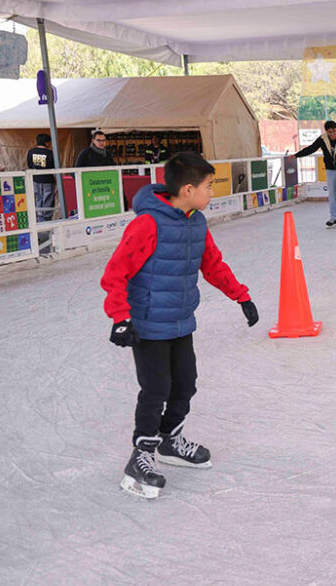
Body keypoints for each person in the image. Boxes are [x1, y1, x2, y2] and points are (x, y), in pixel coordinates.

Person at [100, 152, 259, 500]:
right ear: (188, 189)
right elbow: (116, 272)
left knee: (185, 384)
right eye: (209, 186)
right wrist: (120, 317)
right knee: (156, 389)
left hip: (181, 322)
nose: (212, 192)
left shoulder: (196, 222)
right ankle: (140, 455)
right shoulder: (147, 225)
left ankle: (170, 440)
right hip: (148, 325)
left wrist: (241, 297)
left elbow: (213, 265)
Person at [294, 120, 336, 228]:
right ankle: (333, 217)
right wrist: (296, 155)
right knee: (331, 194)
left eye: (333, 131)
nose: (332, 134)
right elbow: (311, 148)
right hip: (330, 170)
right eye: (329, 132)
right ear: (326, 131)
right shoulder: (322, 139)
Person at [26, 133, 56, 221]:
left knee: (38, 198)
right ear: (47, 143)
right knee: (48, 199)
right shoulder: (50, 153)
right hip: (47, 179)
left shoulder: (31, 152)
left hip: (35, 179)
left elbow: (29, 165)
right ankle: (46, 219)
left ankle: (39, 218)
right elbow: (53, 166)